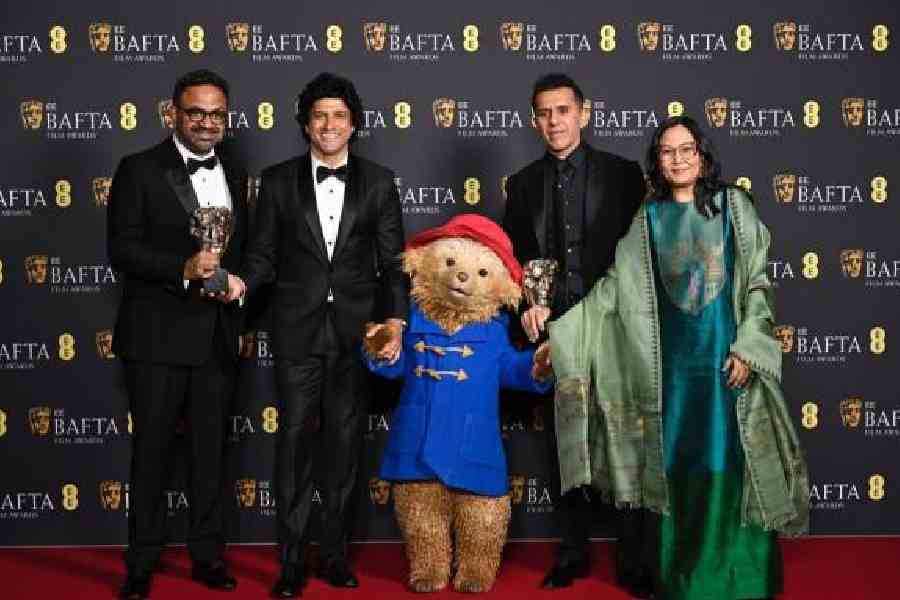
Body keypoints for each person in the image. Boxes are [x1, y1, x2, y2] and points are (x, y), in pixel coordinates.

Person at [542, 115, 809, 600]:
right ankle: (683, 579)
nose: (679, 159)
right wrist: (559, 338)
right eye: (667, 152)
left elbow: (756, 285)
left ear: (703, 155)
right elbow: (611, 292)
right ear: (657, 162)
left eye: (687, 149)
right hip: (668, 375)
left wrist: (749, 348)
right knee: (676, 464)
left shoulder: (734, 208)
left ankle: (741, 580)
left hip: (727, 367)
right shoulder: (648, 220)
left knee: (729, 458)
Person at [233, 72, 408, 598]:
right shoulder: (278, 180)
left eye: (339, 116)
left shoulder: (378, 182)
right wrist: (242, 281)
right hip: (296, 333)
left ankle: (333, 556)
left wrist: (395, 321)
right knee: (292, 447)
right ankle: (290, 560)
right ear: (305, 125)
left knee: (345, 448)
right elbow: (262, 255)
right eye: (319, 116)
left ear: (353, 124)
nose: (329, 125)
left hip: (357, 335)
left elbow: (395, 264)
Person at [501, 72, 649, 595]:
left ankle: (634, 560)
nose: (553, 121)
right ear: (534, 120)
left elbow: (645, 256)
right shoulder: (520, 185)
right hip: (558, 332)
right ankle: (572, 554)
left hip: (616, 327)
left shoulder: (626, 175)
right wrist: (526, 307)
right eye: (543, 112)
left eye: (563, 110)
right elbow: (514, 265)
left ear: (584, 114)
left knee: (624, 441)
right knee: (564, 444)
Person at [107, 69, 248, 600]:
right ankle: (141, 563)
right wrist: (182, 268)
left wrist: (237, 283)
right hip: (156, 338)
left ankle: (208, 557)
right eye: (196, 113)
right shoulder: (138, 169)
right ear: (173, 113)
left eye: (217, 114)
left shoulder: (235, 170)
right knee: (153, 454)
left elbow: (242, 249)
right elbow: (120, 248)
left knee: (210, 454)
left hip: (216, 335)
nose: (207, 123)